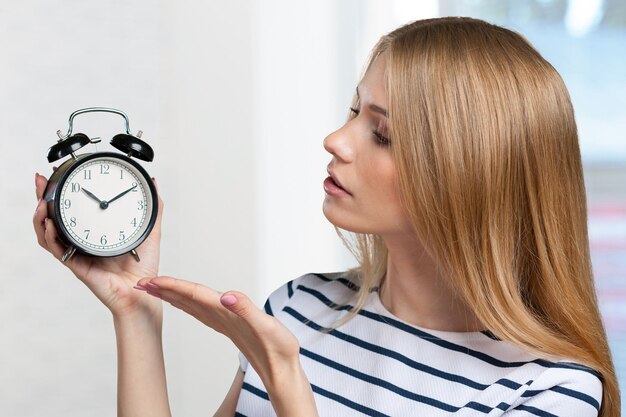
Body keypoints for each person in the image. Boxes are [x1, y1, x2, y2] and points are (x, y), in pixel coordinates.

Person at [33, 16, 619, 417]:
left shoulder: (548, 393)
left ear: (469, 175)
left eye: (382, 133)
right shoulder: (299, 310)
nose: (336, 139)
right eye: (353, 110)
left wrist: (289, 386)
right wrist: (134, 309)